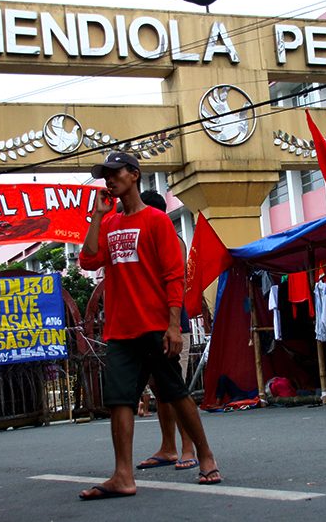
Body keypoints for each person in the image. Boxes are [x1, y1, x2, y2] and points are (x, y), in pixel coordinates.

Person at [78, 152, 220, 501]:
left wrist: (174, 325)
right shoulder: (110, 224)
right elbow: (87, 259)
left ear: (135, 175)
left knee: (175, 392)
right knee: (119, 401)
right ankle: (122, 476)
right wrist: (97, 217)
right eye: (105, 175)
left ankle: (206, 456)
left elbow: (174, 277)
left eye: (115, 173)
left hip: (155, 326)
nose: (109, 180)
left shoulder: (157, 221)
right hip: (121, 330)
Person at [134, 190, 198, 471]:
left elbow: (173, 281)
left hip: (173, 325)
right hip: (147, 327)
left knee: (175, 390)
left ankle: (188, 448)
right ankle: (168, 447)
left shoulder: (173, 240)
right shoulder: (140, 240)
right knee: (160, 390)